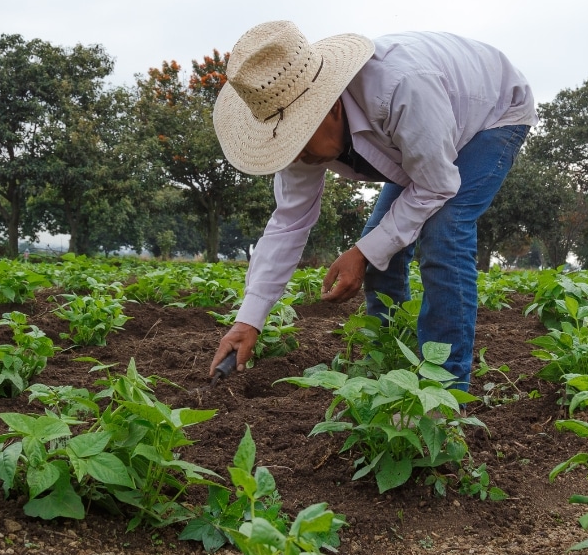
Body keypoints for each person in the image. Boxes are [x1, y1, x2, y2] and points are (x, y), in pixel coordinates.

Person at [208, 20, 536, 390]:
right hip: (428, 135)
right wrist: (247, 320)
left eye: (299, 137)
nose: (295, 152)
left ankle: (445, 390)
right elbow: (289, 222)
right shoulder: (299, 137)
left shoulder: (401, 88)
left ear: (328, 108)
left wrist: (362, 253)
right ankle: (389, 361)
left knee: (445, 230)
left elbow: (437, 186)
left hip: (494, 112)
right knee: (383, 249)